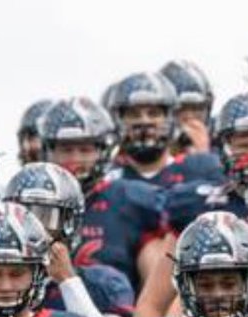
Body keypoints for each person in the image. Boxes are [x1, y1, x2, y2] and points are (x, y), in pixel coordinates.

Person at [135, 90, 248, 317]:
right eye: (244, 145)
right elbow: (153, 303)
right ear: (225, 148)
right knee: (181, 298)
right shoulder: (198, 204)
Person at [39, 97, 168, 305]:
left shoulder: (129, 197)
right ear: (49, 151)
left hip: (115, 311)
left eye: (85, 150)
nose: (75, 158)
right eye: (66, 149)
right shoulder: (34, 201)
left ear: (103, 151)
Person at [2, 161, 134, 317]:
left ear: (70, 224)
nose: (34, 227)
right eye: (25, 216)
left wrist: (67, 281)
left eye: (46, 216)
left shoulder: (103, 283)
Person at [106, 71, 223, 189]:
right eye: (134, 115)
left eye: (154, 114)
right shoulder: (108, 181)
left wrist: (201, 162)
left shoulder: (203, 171)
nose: (145, 121)